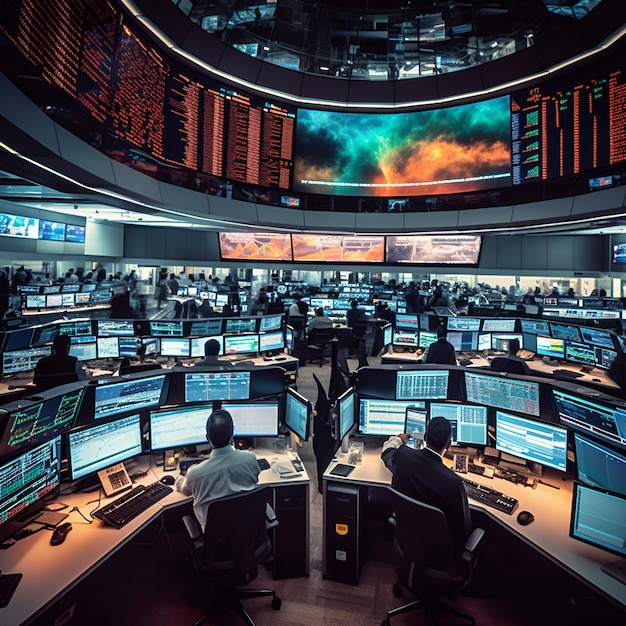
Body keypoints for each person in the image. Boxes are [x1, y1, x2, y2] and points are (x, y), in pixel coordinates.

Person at [381, 416, 472, 552]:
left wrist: (398, 439)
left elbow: (386, 452)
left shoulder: (403, 457)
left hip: (407, 538)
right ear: (449, 445)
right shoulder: (453, 482)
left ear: (425, 437)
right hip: (439, 552)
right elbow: (462, 527)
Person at [175, 409, 260, 531]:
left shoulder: (195, 473)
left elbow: (185, 490)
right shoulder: (250, 459)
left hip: (215, 540)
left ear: (207, 438)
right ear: (232, 435)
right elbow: (255, 478)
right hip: (248, 533)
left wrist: (179, 479)